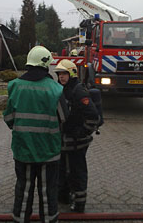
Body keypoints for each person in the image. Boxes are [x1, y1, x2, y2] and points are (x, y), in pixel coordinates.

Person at [3, 46, 64, 223]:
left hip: (23, 151)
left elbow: (8, 118)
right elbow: (64, 118)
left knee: (24, 189)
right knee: (47, 191)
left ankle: (20, 219)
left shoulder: (15, 86)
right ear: (46, 65)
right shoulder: (55, 89)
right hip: (49, 152)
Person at [53, 59, 100, 213]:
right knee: (63, 170)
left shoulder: (78, 91)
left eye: (64, 74)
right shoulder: (63, 90)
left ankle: (79, 203)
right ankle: (64, 196)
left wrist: (82, 132)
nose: (61, 77)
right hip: (66, 142)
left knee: (76, 172)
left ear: (71, 73)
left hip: (77, 143)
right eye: (59, 74)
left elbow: (93, 116)